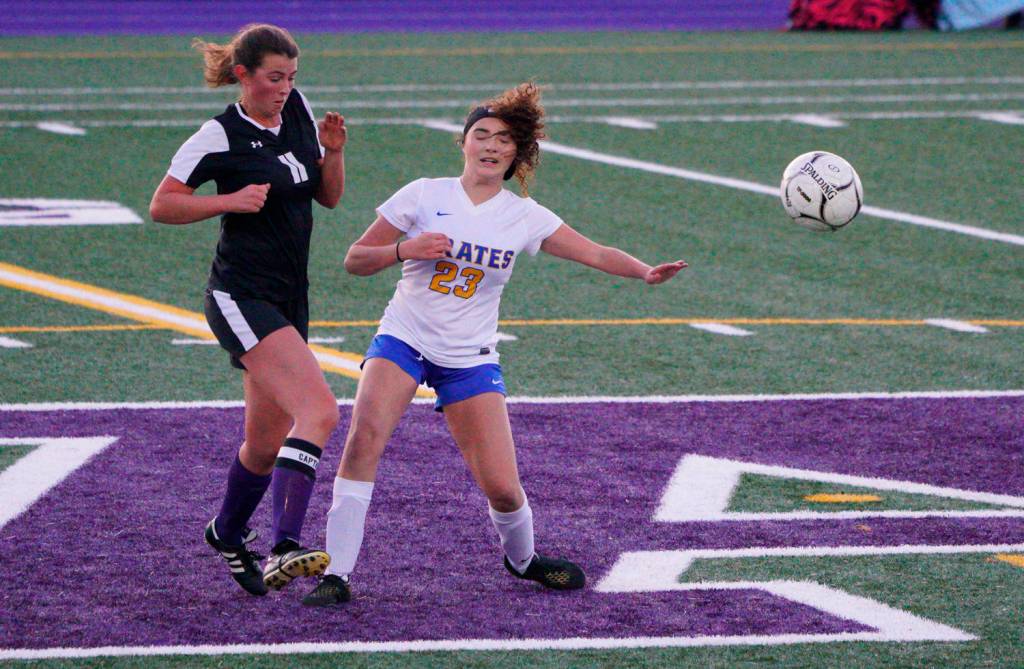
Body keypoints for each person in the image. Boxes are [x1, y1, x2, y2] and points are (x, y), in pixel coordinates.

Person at [301, 82, 686, 607]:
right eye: (480, 134)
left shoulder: (523, 215)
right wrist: (404, 248)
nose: (489, 145)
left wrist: (644, 272)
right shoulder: (422, 194)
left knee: (503, 488)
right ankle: (337, 573)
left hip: (470, 357)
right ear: (462, 142)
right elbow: (354, 259)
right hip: (404, 338)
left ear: (515, 153)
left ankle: (523, 559)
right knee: (364, 440)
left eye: (502, 139)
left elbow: (594, 253)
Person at [149, 23, 347, 597]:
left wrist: (333, 153)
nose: (286, 87)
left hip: (289, 296)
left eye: (292, 77)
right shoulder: (216, 136)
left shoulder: (299, 113)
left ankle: (227, 532)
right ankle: (286, 545)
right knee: (320, 410)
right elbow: (163, 205)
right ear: (243, 75)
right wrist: (229, 201)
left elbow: (328, 196)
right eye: (274, 77)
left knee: (265, 443)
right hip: (240, 296)